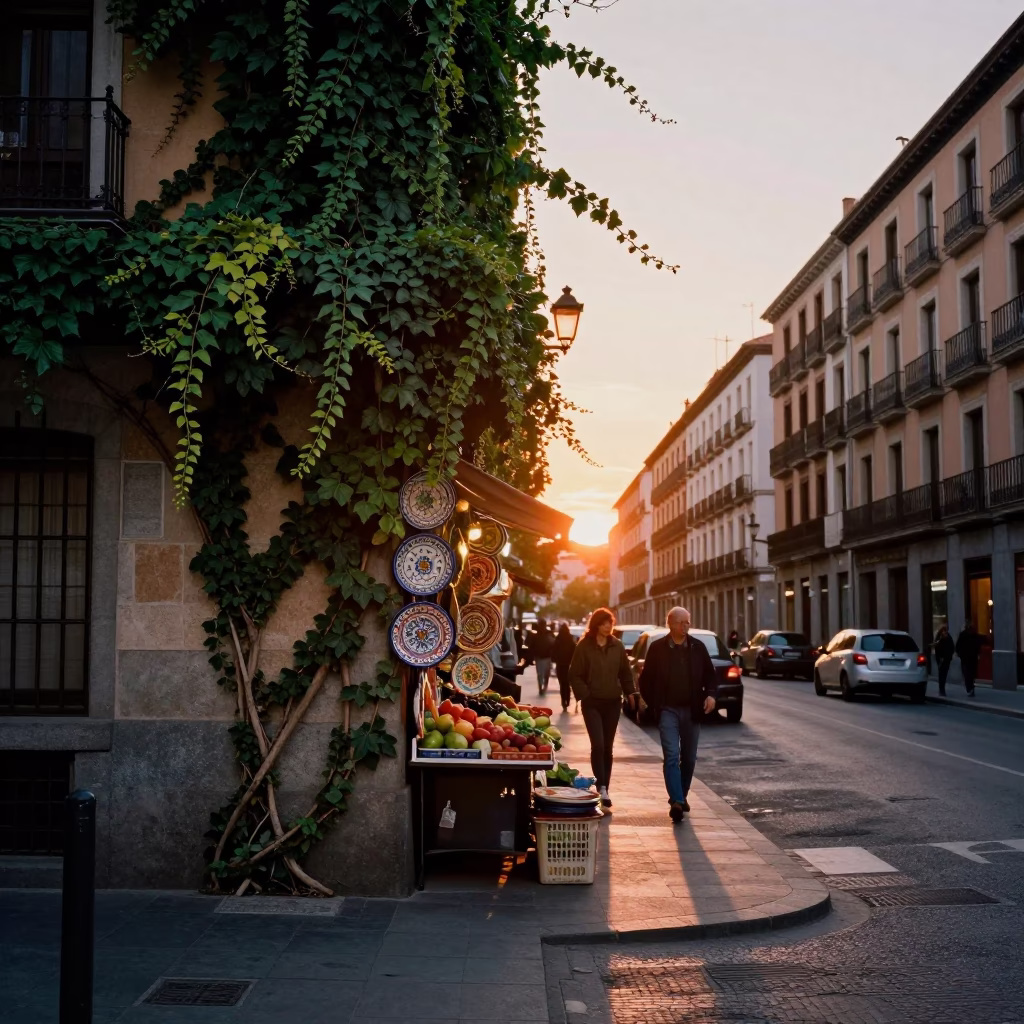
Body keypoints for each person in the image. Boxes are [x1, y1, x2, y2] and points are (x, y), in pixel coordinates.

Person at [638, 606, 718, 823]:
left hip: (692, 711)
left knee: (689, 758)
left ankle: (681, 796)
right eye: (682, 622)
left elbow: (710, 676)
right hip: (668, 711)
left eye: (688, 622)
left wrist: (710, 695)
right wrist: (656, 704)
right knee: (672, 755)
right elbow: (645, 680)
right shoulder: (657, 648)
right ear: (671, 624)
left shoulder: (697, 648)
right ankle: (676, 801)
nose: (686, 626)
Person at [568, 608, 637, 807]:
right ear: (597, 624)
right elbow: (574, 674)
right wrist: (585, 695)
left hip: (613, 703)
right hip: (592, 704)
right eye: (605, 622)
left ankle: (604, 786)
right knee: (597, 745)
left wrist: (630, 692)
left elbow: (625, 672)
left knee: (607, 747)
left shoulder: (617, 646)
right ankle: (602, 787)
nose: (609, 626)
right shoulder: (584, 646)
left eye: (611, 622)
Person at [551, 622, 578, 712]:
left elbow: (554, 652)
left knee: (562, 684)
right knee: (567, 684)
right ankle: (568, 700)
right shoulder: (571, 639)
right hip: (569, 666)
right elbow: (575, 652)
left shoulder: (558, 639)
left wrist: (555, 659)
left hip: (560, 665)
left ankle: (563, 701)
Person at [955, 620, 981, 697]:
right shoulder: (974, 634)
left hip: (965, 657)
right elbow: (978, 645)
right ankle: (971, 687)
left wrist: (958, 653)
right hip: (972, 656)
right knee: (971, 673)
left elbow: (958, 645)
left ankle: (969, 688)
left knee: (967, 673)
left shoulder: (963, 634)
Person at [533, 619, 554, 695]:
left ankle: (542, 688)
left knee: (542, 674)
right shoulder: (546, 634)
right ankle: (543, 688)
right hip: (544, 657)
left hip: (542, 657)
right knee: (544, 674)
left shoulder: (537, 634)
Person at [934, 622, 954, 697]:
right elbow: (937, 648)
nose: (945, 632)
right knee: (942, 674)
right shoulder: (940, 638)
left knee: (944, 674)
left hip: (946, 659)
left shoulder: (949, 637)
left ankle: (942, 689)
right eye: (944, 630)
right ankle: (941, 690)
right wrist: (939, 658)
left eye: (946, 630)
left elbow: (952, 647)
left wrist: (949, 656)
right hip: (941, 659)